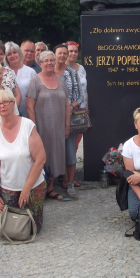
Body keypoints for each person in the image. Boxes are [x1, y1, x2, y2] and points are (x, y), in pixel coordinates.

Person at [0, 89, 47, 231]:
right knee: (11, 228)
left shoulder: (27, 126)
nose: (2, 106)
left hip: (33, 186)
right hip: (8, 188)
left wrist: (26, 189)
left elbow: (40, 159)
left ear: (13, 103)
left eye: (5, 102)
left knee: (33, 229)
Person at [26, 51, 71, 201]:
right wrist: (33, 128)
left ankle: (50, 188)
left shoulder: (61, 81)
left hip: (58, 127)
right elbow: (30, 107)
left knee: (55, 155)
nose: (50, 63)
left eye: (52, 60)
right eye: (46, 61)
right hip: (41, 127)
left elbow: (66, 105)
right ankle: (39, 188)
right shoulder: (35, 81)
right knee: (41, 156)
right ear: (40, 63)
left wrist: (66, 125)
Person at [54, 44, 85, 196]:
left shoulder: (72, 72)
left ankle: (70, 182)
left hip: (69, 116)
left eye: (64, 53)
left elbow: (80, 95)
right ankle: (54, 182)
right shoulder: (47, 71)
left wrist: (71, 106)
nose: (62, 55)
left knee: (70, 150)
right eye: (59, 53)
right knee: (53, 150)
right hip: (51, 117)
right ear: (54, 54)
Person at [67, 40, 88, 154]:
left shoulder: (81, 69)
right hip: (68, 111)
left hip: (80, 111)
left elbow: (85, 90)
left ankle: (72, 169)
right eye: (70, 51)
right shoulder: (61, 69)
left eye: (75, 51)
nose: (73, 54)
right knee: (67, 143)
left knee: (75, 143)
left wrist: (86, 109)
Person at [5, 41, 37, 118]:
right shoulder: (2, 72)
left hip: (28, 113)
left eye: (14, 52)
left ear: (19, 53)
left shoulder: (30, 71)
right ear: (5, 57)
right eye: (9, 54)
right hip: (9, 114)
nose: (12, 56)